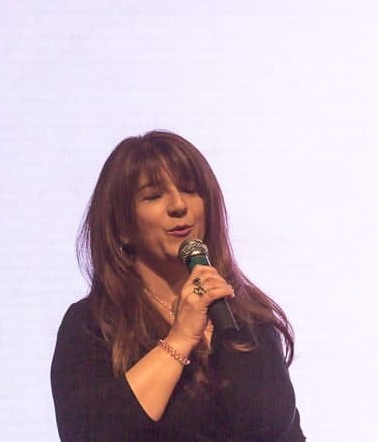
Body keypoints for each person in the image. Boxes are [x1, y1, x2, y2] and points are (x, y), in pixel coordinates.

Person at [51, 131, 304, 441]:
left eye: (189, 190)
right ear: (122, 227)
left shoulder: (246, 317)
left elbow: (275, 427)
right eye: (153, 196)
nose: (179, 206)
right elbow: (93, 433)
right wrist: (181, 337)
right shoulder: (93, 325)